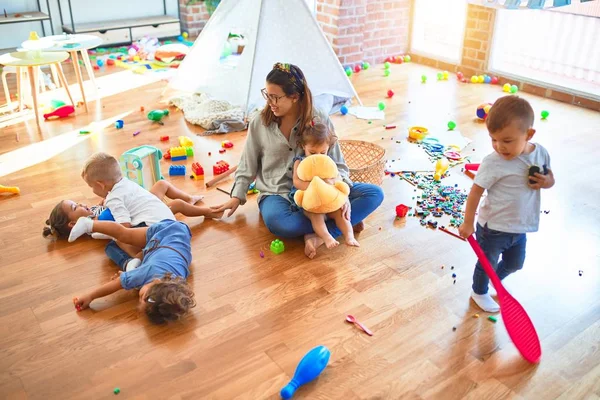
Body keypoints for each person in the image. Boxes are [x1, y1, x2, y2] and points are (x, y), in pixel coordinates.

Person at [211, 62, 383, 258]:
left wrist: (339, 193)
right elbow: (247, 164)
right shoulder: (260, 122)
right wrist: (236, 196)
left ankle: (320, 234)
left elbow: (338, 164)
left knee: (374, 194)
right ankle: (338, 224)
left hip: (323, 189)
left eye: (276, 97)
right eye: (267, 95)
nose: (270, 102)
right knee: (280, 224)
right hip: (277, 193)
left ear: (295, 96)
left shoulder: (319, 118)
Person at [43, 152, 222, 270]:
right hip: (163, 220)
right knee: (174, 205)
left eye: (91, 187)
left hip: (154, 228)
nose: (82, 203)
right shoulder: (123, 183)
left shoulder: (111, 199)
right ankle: (207, 211)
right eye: (76, 207)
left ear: (100, 185)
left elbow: (125, 227)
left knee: (116, 242)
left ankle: (135, 260)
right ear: (72, 223)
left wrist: (107, 217)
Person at [459, 96, 555, 312]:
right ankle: (479, 291)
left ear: (529, 134)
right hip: (493, 227)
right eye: (494, 139)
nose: (499, 146)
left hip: (521, 225)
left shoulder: (541, 153)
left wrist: (547, 181)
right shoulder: (493, 162)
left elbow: (550, 177)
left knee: (515, 263)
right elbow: (475, 192)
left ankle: (497, 278)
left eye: (507, 140)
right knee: (486, 263)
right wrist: (468, 223)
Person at [69, 218, 195, 324]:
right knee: (124, 235)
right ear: (156, 282)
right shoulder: (148, 273)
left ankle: (111, 237)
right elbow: (116, 284)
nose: (139, 298)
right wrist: (90, 296)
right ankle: (89, 224)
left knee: (136, 257)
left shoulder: (176, 285)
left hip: (180, 238)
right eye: (142, 297)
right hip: (166, 231)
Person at [291, 120, 359, 249]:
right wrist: (315, 187)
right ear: (303, 146)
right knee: (316, 217)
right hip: (312, 202)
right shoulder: (299, 162)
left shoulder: (328, 162)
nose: (318, 156)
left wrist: (333, 186)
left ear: (328, 148)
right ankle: (326, 237)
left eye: (322, 153)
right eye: (312, 152)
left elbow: (337, 178)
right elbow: (296, 182)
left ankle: (349, 236)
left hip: (329, 199)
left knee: (342, 214)